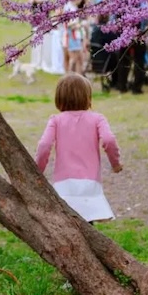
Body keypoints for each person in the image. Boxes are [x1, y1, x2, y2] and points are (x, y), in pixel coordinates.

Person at [35, 73, 123, 223]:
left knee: (67, 225)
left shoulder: (56, 121)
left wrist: (38, 170)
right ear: (88, 97)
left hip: (64, 185)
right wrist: (116, 164)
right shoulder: (97, 119)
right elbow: (109, 139)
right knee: (87, 224)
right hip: (90, 183)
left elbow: (44, 146)